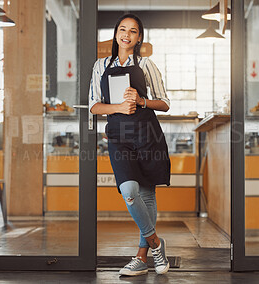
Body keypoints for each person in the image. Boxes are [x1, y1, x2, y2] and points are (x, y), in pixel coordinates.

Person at [89, 13, 171, 276]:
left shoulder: (147, 65)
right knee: (130, 191)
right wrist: (119, 107)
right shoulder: (100, 65)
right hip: (118, 136)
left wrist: (141, 100)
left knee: (147, 194)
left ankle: (141, 257)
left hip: (147, 134)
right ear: (116, 34)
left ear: (139, 38)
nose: (127, 34)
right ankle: (156, 243)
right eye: (122, 29)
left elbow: (165, 103)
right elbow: (94, 105)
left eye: (133, 31)